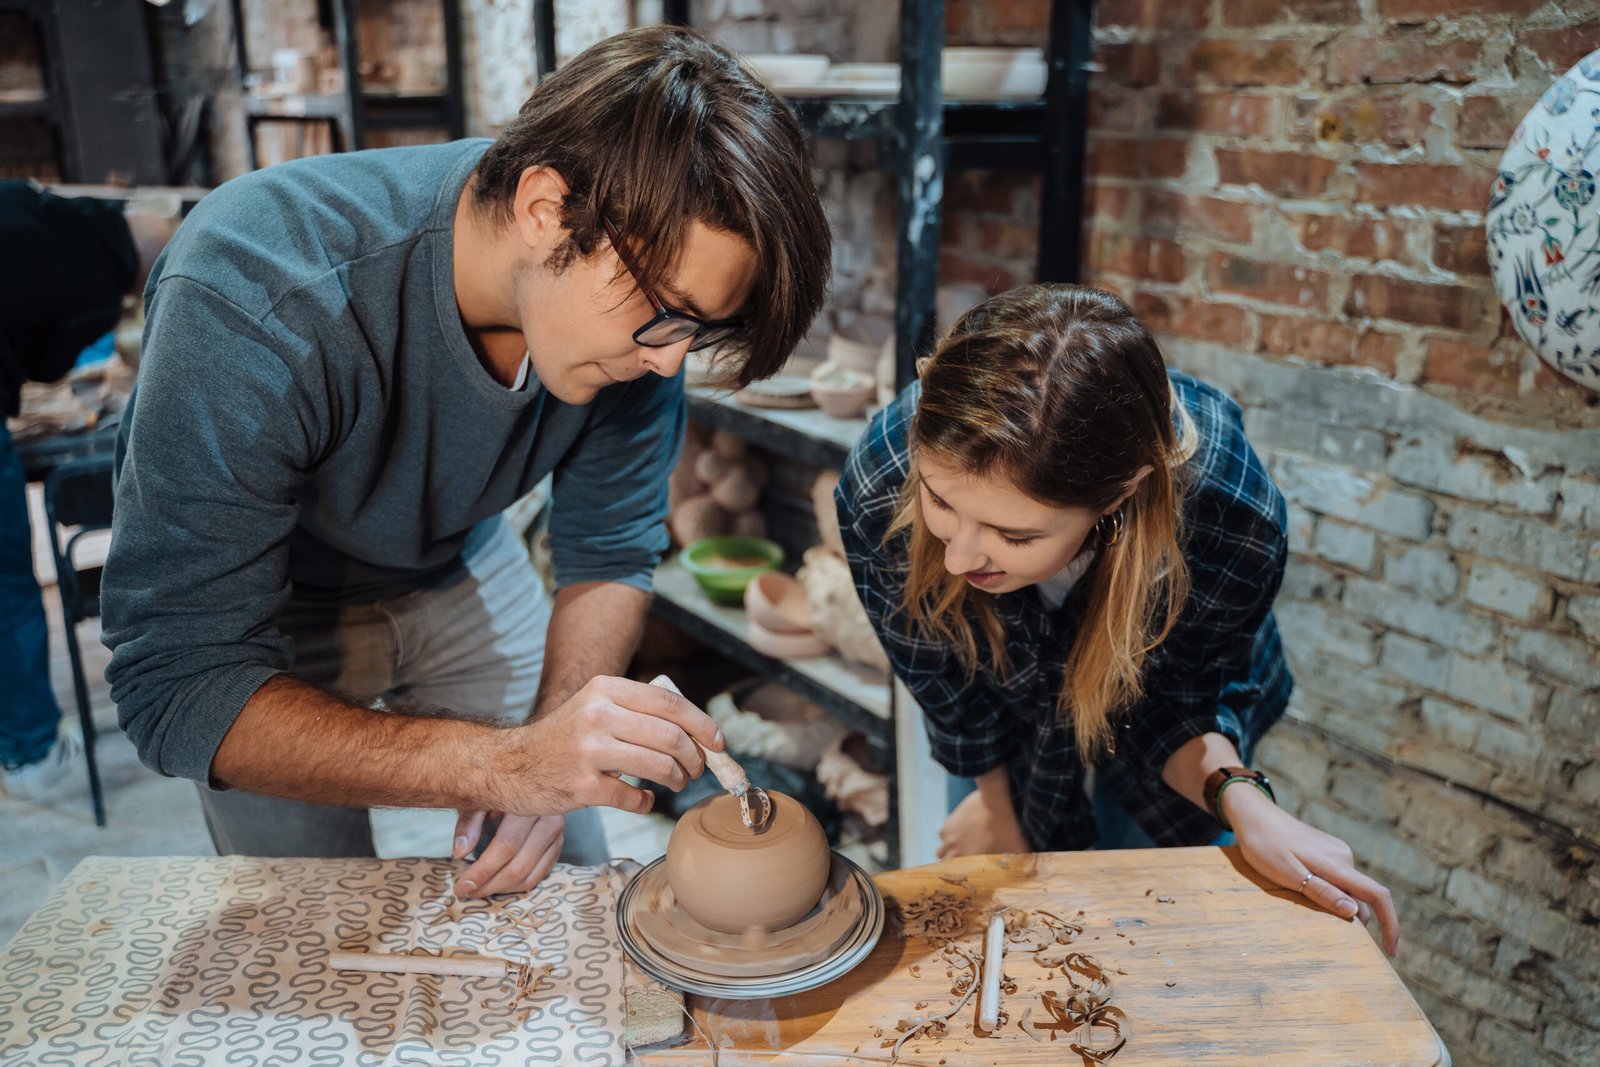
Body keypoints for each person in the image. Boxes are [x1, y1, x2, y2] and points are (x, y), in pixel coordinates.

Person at [100, 26, 830, 897]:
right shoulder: (258, 286)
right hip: (269, 611)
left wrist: (552, 749)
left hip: (459, 553)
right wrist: (503, 764)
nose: (671, 363)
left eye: (698, 331)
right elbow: (178, 687)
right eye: (670, 316)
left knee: (565, 879)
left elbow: (608, 554)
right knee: (310, 913)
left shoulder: (634, 316)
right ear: (544, 211)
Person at [837, 284, 1400, 955]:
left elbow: (1178, 712)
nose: (958, 556)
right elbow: (946, 684)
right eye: (940, 501)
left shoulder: (1230, 512)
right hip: (999, 699)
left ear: (1119, 494)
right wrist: (994, 802)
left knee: (1144, 938)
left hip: (1166, 704)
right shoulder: (880, 481)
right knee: (1009, 934)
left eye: (1013, 536)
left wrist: (1248, 804)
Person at [0, 181, 172, 802]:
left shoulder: (43, 206)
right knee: (7, 590)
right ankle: (31, 754)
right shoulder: (103, 282)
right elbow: (49, 365)